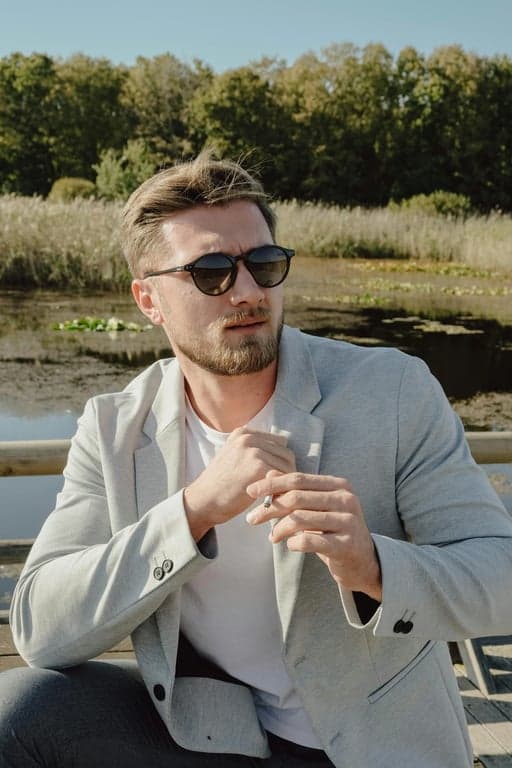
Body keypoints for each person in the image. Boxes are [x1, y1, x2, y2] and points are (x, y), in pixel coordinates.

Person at [1, 153, 511, 768]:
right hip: (210, 735)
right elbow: (39, 626)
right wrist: (192, 510)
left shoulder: (393, 391)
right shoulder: (114, 427)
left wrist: (372, 566)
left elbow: (498, 578)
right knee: (24, 709)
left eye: (264, 265)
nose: (247, 292)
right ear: (148, 299)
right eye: (211, 272)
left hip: (372, 743)